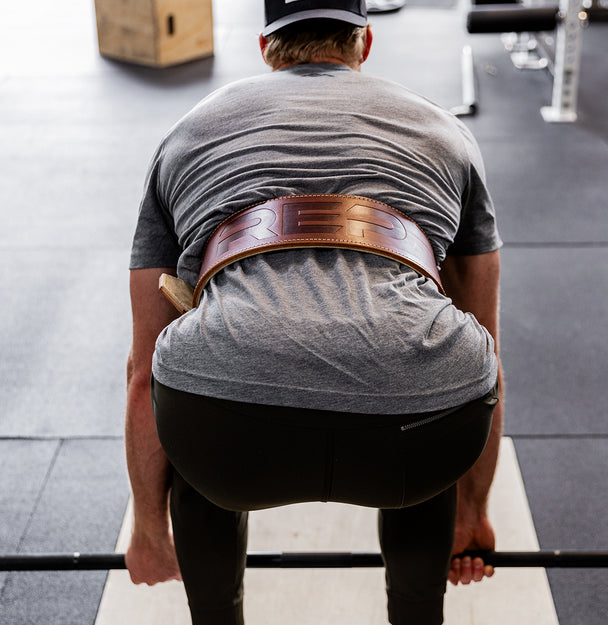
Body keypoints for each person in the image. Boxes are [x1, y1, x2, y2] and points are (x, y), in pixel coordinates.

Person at [124, 1, 504, 624]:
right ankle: (418, 608)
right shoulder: (445, 131)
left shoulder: (187, 132)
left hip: (227, 450)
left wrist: (148, 531)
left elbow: (143, 368)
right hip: (414, 452)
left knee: (198, 375)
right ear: (364, 41)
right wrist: (472, 514)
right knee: (428, 374)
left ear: (266, 49)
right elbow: (487, 339)